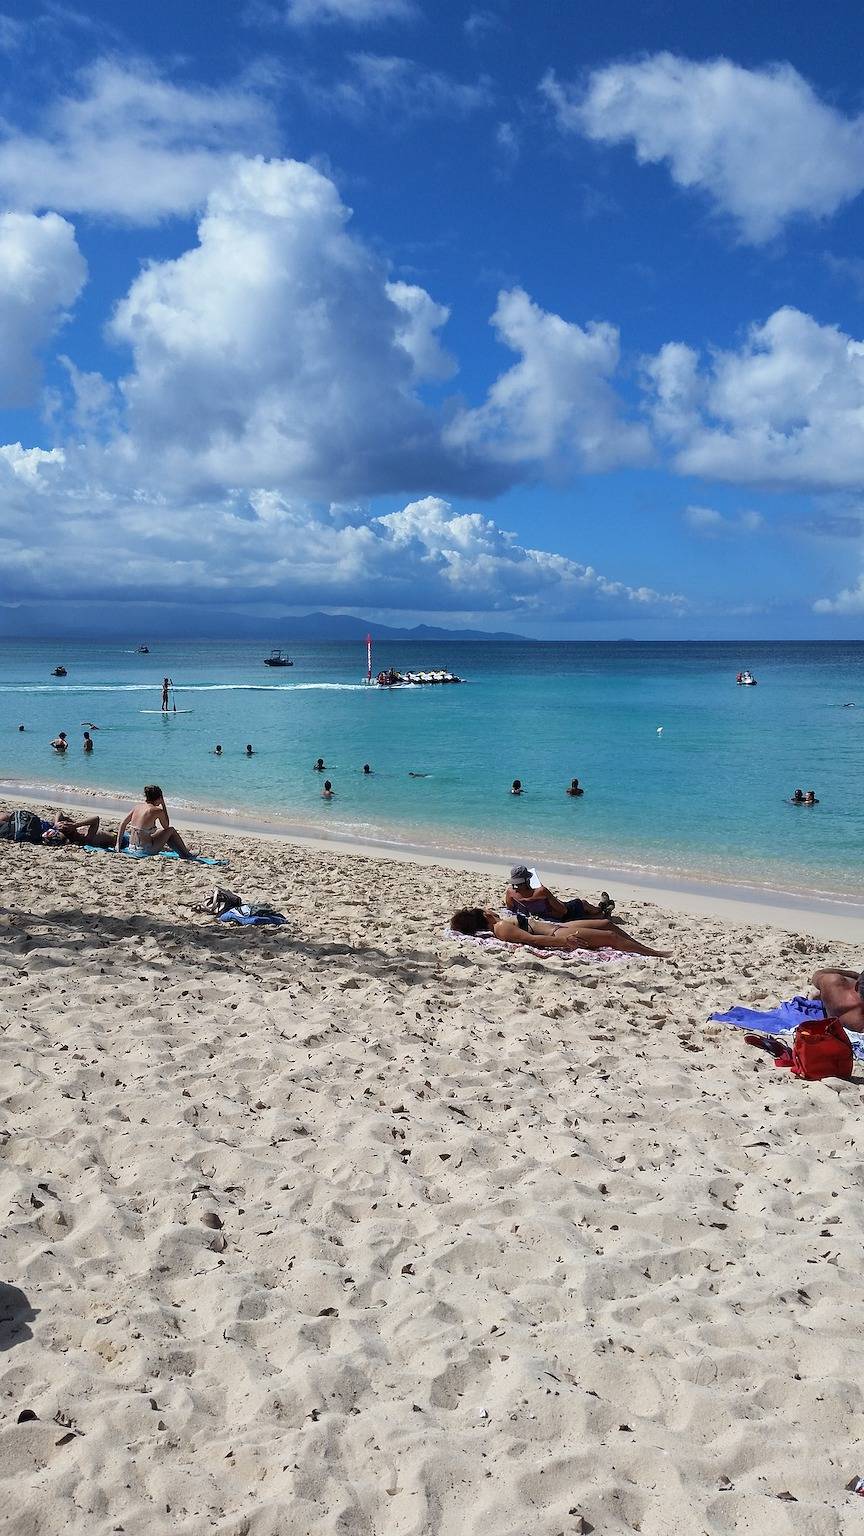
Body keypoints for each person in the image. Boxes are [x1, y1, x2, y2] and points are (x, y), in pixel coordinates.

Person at [450, 906, 669, 957]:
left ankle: (639, 947)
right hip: (558, 935)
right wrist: (564, 942)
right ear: (485, 916)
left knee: (606, 924)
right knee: (610, 938)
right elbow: (531, 939)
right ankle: (656, 953)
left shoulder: (500, 922)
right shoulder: (501, 927)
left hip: (559, 928)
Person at [505, 864, 614, 921]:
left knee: (579, 906)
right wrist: (544, 891)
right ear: (527, 880)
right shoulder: (541, 891)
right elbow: (563, 910)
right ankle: (603, 908)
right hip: (558, 916)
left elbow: (511, 908)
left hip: (537, 913)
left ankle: (603, 908)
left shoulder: (510, 892)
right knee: (582, 903)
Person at [116, 785, 193, 858]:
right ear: (159, 798)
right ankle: (186, 854)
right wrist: (163, 805)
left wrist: (118, 845)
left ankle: (183, 851)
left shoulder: (137, 807)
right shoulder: (157, 810)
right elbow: (166, 826)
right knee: (171, 830)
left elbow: (123, 824)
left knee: (158, 831)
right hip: (145, 850)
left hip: (131, 847)